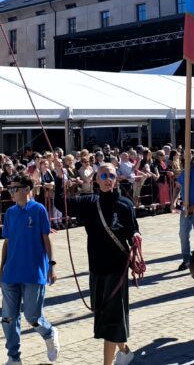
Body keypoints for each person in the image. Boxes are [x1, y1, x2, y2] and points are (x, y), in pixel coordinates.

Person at [51, 155, 138, 365]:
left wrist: (136, 239)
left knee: (111, 318)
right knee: (106, 317)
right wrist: (59, 176)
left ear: (117, 179)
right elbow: (61, 203)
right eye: (104, 175)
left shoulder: (125, 205)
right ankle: (125, 352)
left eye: (112, 175)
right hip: (97, 268)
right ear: (96, 180)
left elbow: (132, 231)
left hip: (118, 269)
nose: (108, 179)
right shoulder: (89, 203)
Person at [0, 174, 60, 365]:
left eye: (14, 188)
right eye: (10, 188)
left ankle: (49, 333)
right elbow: (7, 242)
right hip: (11, 273)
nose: (11, 192)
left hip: (34, 272)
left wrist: (51, 265)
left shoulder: (39, 209)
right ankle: (14, 358)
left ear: (26, 189)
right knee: (8, 318)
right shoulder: (10, 212)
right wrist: (1, 270)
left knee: (32, 316)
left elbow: (46, 238)